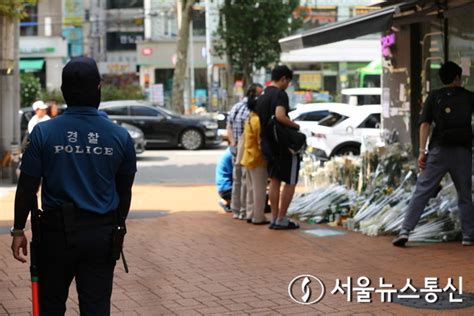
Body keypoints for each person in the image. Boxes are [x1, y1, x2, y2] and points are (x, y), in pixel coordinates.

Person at [11, 57, 137, 314]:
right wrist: (118, 226)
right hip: (101, 235)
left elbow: (27, 187)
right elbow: (124, 191)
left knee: (51, 305)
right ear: (99, 88)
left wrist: (17, 229)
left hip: (55, 235)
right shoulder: (120, 136)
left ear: (63, 92)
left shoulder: (44, 133)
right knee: (96, 307)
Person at [393, 61, 474, 247]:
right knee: (464, 195)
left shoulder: (434, 96)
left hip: (439, 151)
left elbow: (424, 125)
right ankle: (468, 235)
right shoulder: (469, 97)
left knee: (422, 191)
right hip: (462, 152)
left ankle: (405, 230)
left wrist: (422, 152)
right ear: (457, 77)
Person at [256, 65, 300, 230]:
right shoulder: (280, 94)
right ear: (283, 78)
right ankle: (282, 218)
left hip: (267, 143)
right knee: (290, 180)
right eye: (288, 81)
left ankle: (275, 217)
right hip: (283, 145)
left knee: (274, 180)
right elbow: (280, 116)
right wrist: (295, 126)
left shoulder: (263, 94)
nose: (288, 84)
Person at [227, 83, 263, 220]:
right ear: (253, 94)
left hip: (235, 148)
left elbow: (228, 126)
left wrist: (232, 143)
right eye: (259, 94)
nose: (261, 96)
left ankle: (235, 210)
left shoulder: (235, 107)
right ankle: (243, 211)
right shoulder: (251, 111)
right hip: (247, 150)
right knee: (245, 181)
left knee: (236, 180)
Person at [241, 87, 270, 225]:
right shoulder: (257, 120)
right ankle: (258, 217)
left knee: (251, 188)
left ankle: (250, 213)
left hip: (248, 157)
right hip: (257, 158)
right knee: (260, 190)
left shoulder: (249, 118)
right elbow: (260, 141)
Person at [215, 147, 233, 212]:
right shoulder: (232, 154)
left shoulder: (229, 150)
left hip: (223, 188)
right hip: (227, 189)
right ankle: (228, 202)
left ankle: (227, 202)